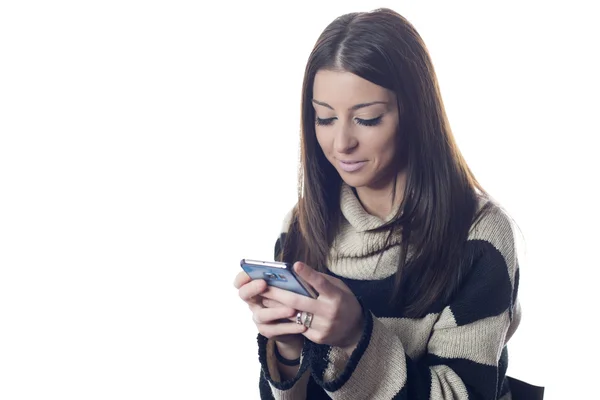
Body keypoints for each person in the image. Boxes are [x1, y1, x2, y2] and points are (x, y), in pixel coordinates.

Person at [234, 7, 541, 400]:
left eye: (367, 119)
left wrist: (355, 336)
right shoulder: (302, 224)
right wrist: (289, 349)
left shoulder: (478, 236)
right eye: (324, 118)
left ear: (415, 113)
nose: (341, 143)